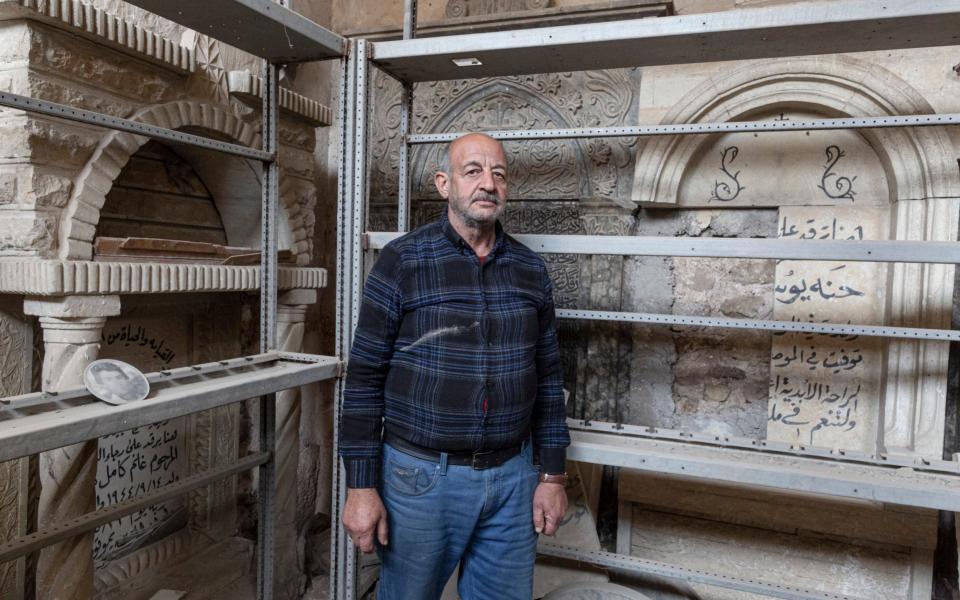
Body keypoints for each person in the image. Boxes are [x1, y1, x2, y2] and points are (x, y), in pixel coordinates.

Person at [339, 132, 571, 600]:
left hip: (513, 480)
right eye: (474, 171)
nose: (488, 183)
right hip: (421, 480)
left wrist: (553, 476)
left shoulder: (530, 270)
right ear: (444, 184)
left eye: (499, 174)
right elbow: (364, 379)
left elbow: (549, 379)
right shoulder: (402, 261)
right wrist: (361, 488)